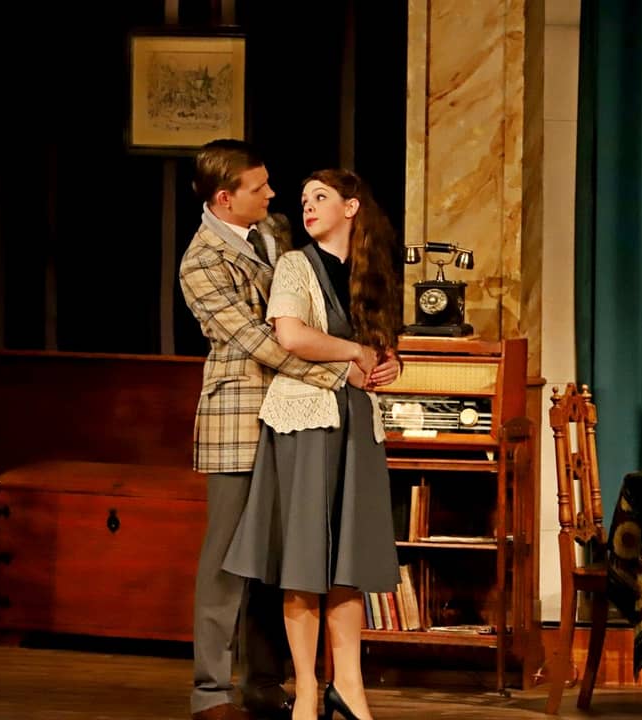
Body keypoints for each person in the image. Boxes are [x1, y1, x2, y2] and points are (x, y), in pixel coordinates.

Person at [179, 141, 398, 720]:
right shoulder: (200, 262)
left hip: (294, 417)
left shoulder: (274, 233)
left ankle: (264, 680)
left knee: (279, 555)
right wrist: (343, 371)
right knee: (229, 559)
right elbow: (261, 340)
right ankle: (211, 692)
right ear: (225, 199)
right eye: (259, 187)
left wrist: (371, 358)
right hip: (241, 418)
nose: (273, 195)